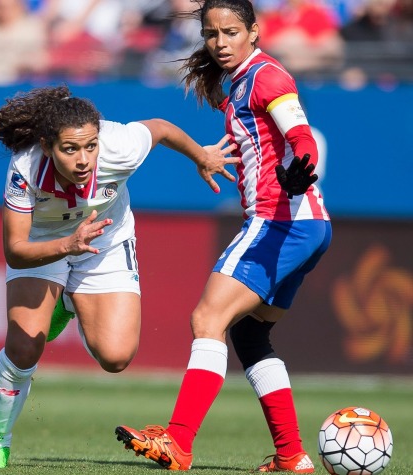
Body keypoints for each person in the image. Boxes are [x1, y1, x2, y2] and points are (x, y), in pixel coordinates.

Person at [0, 84, 239, 469]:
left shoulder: (119, 145)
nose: (83, 159)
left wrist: (202, 156)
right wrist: (67, 245)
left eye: (90, 146)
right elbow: (15, 249)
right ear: (47, 146)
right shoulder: (25, 167)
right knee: (25, 348)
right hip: (45, 245)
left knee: (116, 357)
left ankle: (64, 299)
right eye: (70, 149)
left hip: (106, 240)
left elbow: (160, 127)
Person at [114, 0, 331, 472]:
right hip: (307, 225)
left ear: (254, 31)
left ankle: (178, 441)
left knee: (206, 319)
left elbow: (301, 133)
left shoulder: (268, 77)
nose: (220, 42)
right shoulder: (240, 83)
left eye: (230, 32)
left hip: (280, 220)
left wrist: (303, 166)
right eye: (211, 34)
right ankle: (292, 456)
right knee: (251, 338)